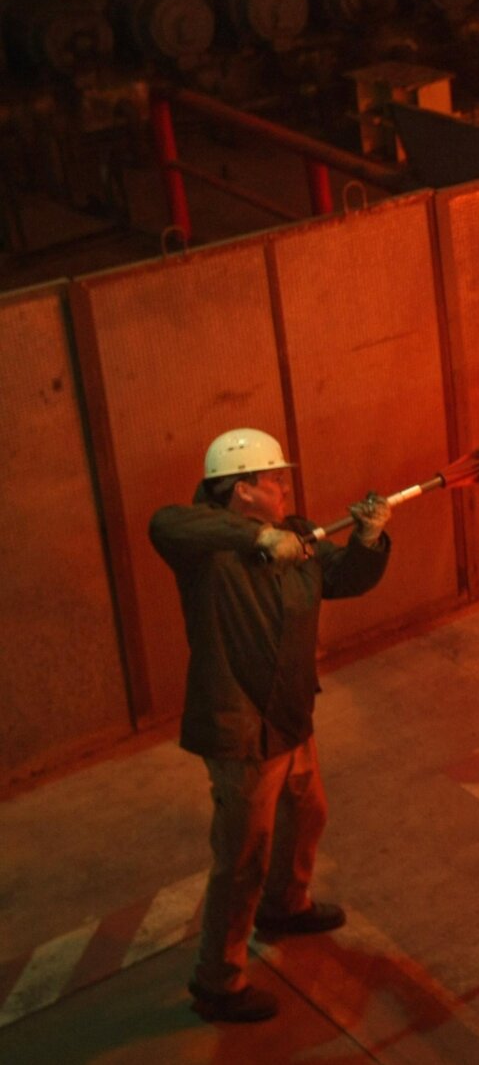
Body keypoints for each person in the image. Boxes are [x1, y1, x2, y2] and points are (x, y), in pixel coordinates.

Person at [148, 427, 392, 1024]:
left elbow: (343, 578)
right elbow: (165, 522)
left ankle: (285, 905)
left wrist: (368, 539)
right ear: (240, 489)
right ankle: (218, 980)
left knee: (308, 812)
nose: (285, 487)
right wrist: (258, 537)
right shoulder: (206, 550)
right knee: (243, 858)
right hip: (241, 724)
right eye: (274, 479)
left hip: (288, 712)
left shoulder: (298, 535)